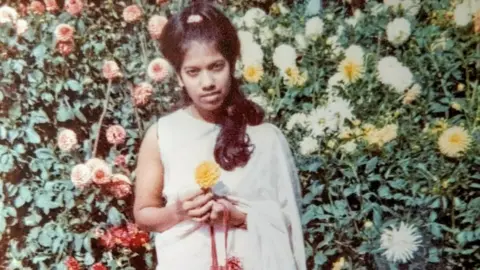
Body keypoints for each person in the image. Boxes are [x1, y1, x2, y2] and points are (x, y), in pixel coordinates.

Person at [133, 2, 306, 270]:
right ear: (179, 76)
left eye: (216, 66)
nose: (208, 83)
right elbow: (144, 214)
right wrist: (177, 212)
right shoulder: (161, 135)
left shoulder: (264, 137)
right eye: (193, 71)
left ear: (232, 64)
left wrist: (236, 217)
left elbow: (288, 221)